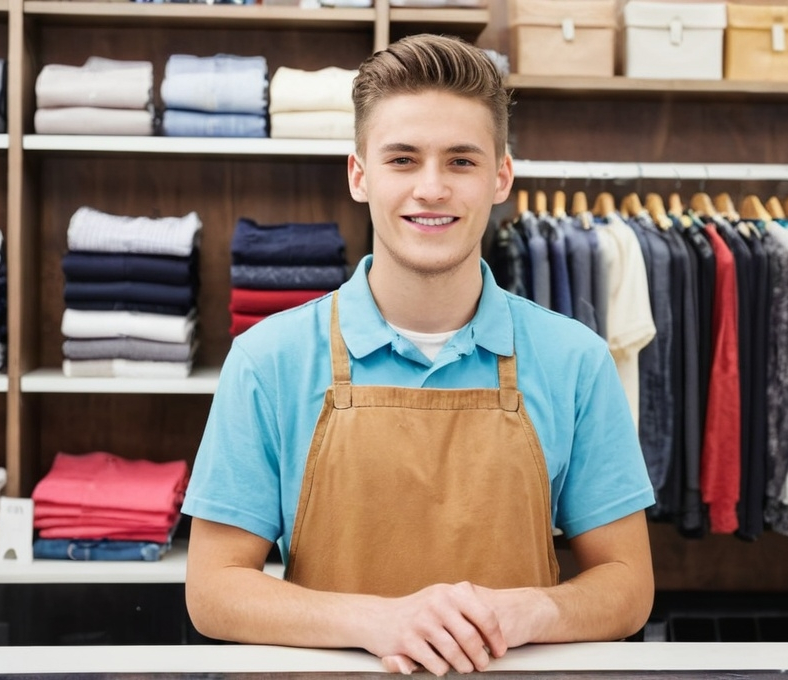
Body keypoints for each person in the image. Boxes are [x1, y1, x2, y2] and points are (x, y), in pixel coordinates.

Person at [181, 33, 655, 676]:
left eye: (461, 161)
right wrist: (377, 621)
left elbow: (627, 585)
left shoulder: (576, 359)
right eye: (402, 159)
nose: (431, 188)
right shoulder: (267, 360)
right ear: (359, 174)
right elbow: (213, 591)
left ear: (500, 177)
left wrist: (530, 612)